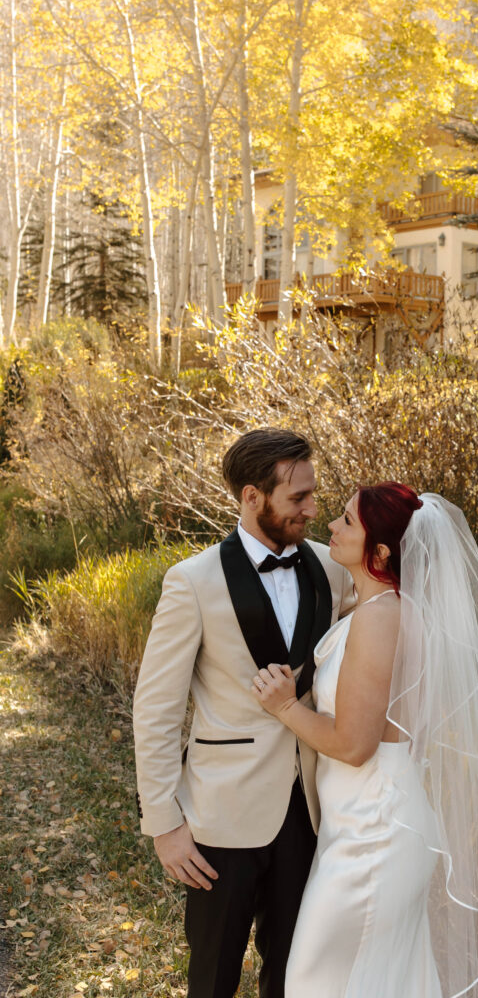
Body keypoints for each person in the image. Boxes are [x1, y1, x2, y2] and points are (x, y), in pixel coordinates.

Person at [254, 483, 478, 998]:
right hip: (363, 820)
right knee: (384, 980)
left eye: (346, 521)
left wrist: (283, 707)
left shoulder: (382, 618)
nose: (332, 527)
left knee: (314, 979)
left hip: (376, 829)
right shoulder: (383, 611)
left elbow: (353, 744)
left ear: (380, 552)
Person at [133, 428, 355, 998]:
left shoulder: (332, 570)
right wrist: (165, 824)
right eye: (297, 498)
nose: (312, 508)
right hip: (219, 815)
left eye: (312, 494)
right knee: (213, 973)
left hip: (309, 809)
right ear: (252, 497)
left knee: (295, 970)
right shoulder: (192, 581)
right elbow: (155, 710)